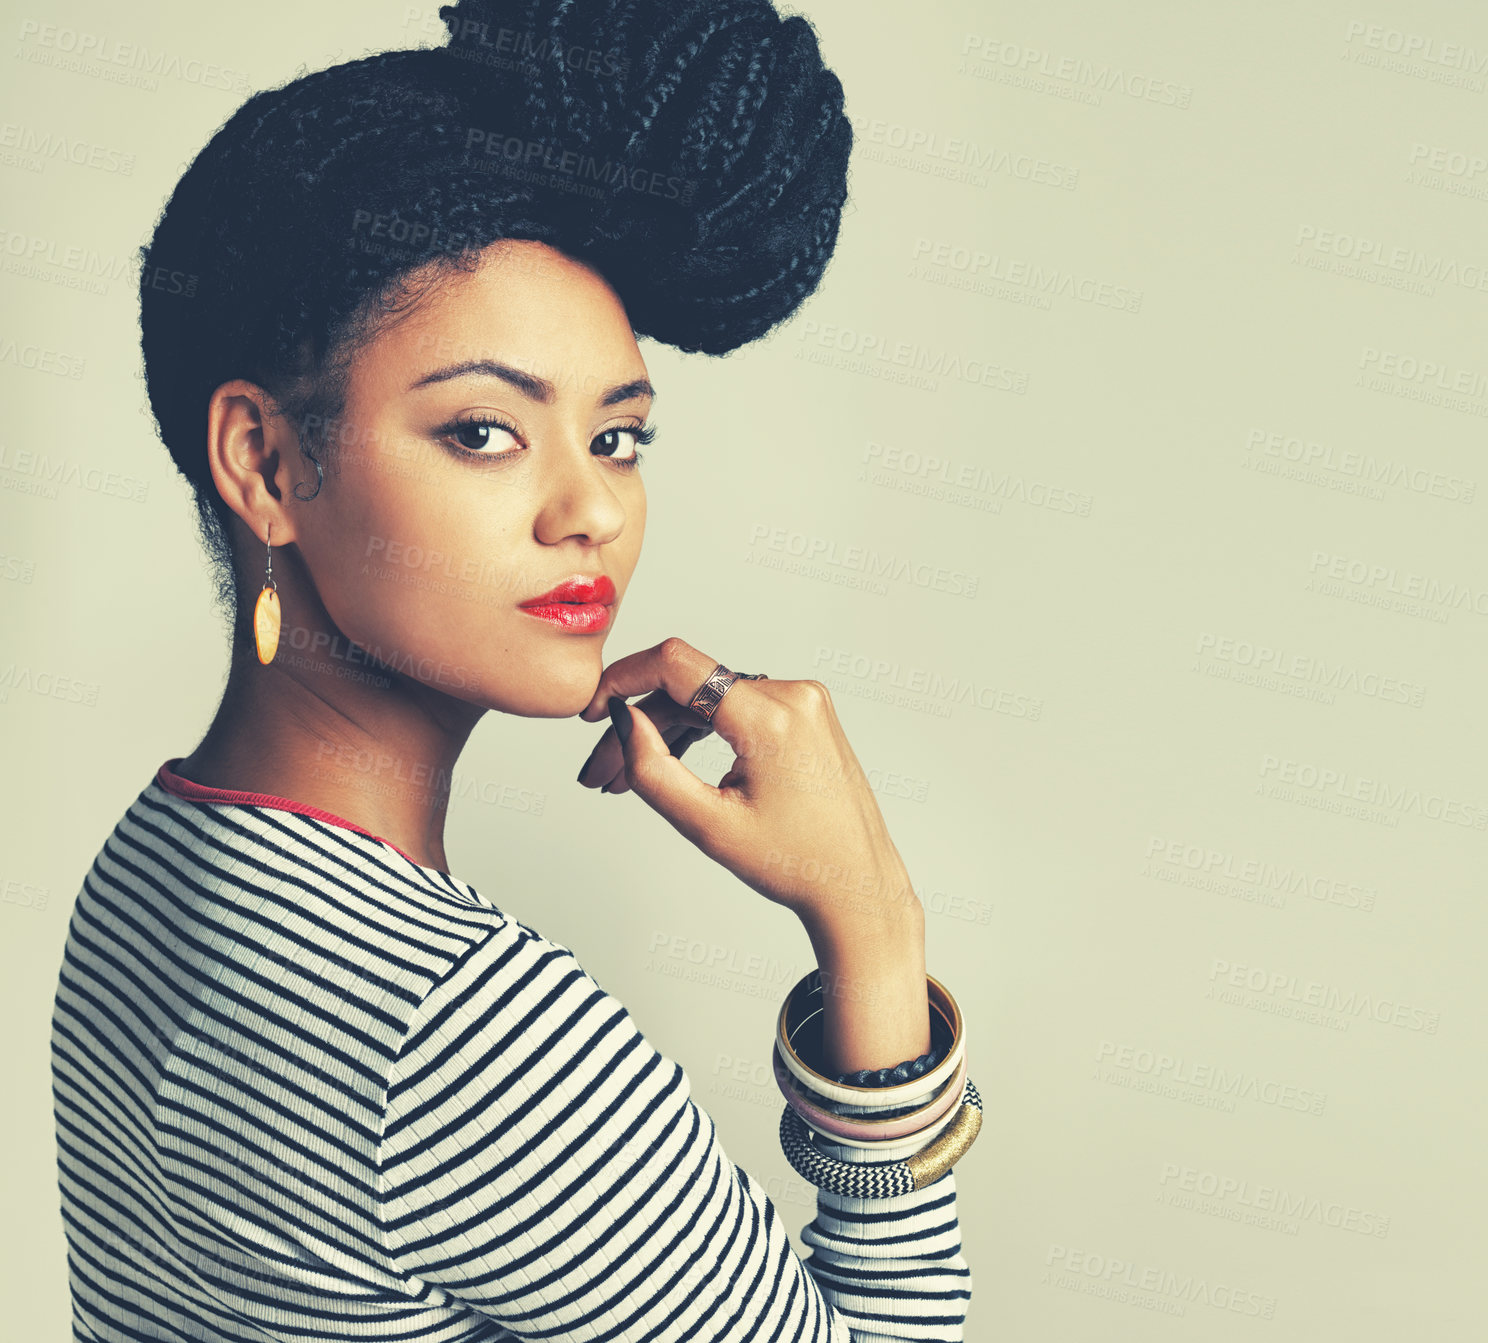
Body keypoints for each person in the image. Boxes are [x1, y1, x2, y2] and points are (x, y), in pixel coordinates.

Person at [49, 2, 979, 1338]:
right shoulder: (457, 1027)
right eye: (485, 431)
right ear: (263, 462)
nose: (588, 512)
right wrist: (874, 931)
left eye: (619, 438)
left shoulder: (151, 869)